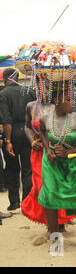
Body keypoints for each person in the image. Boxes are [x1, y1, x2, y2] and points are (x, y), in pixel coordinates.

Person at [37, 84, 76, 247]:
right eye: (69, 99)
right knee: (50, 197)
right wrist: (48, 148)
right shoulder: (45, 118)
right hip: (53, 164)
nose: (72, 102)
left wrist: (70, 152)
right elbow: (42, 132)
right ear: (57, 101)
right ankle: (55, 241)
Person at [21, 92, 76, 230]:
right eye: (39, 83)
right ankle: (51, 223)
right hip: (38, 151)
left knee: (57, 185)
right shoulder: (31, 106)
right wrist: (32, 141)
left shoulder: (59, 105)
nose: (42, 88)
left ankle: (60, 221)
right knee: (41, 186)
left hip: (56, 152)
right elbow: (27, 127)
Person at [0, 68, 36, 211]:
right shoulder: (29, 91)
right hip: (28, 132)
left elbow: (6, 120)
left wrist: (8, 141)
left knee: (12, 168)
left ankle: (14, 202)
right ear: (18, 77)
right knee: (28, 168)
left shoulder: (3, 94)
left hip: (12, 132)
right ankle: (27, 201)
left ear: (4, 79)